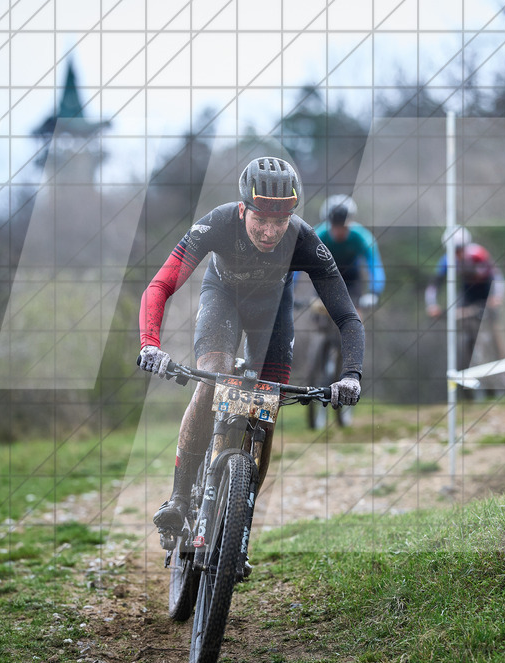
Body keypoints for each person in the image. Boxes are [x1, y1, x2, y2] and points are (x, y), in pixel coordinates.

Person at [137, 157, 365, 533]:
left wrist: (351, 375)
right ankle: (178, 499)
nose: (271, 231)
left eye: (281, 221)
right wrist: (150, 344)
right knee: (213, 379)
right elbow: (160, 285)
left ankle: (238, 523)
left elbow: (348, 317)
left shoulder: (304, 238)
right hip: (222, 298)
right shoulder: (218, 223)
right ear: (243, 208)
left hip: (273, 313)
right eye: (261, 219)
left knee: (266, 407)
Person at [424, 227, 505, 367]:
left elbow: (496, 276)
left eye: (459, 249)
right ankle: (467, 367)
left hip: (486, 292)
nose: (457, 253)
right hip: (468, 293)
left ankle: (502, 366)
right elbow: (434, 285)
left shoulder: (479, 254)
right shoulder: (447, 260)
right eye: (453, 250)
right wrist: (432, 304)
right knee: (464, 329)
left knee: (494, 329)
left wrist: (497, 296)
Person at [313, 194, 385, 311]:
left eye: (343, 225)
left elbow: (374, 266)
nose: (338, 230)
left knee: (355, 316)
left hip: (352, 278)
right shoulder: (318, 235)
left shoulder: (362, 237)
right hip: (324, 277)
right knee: (319, 311)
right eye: (334, 225)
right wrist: (290, 290)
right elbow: (297, 264)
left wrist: (374, 292)